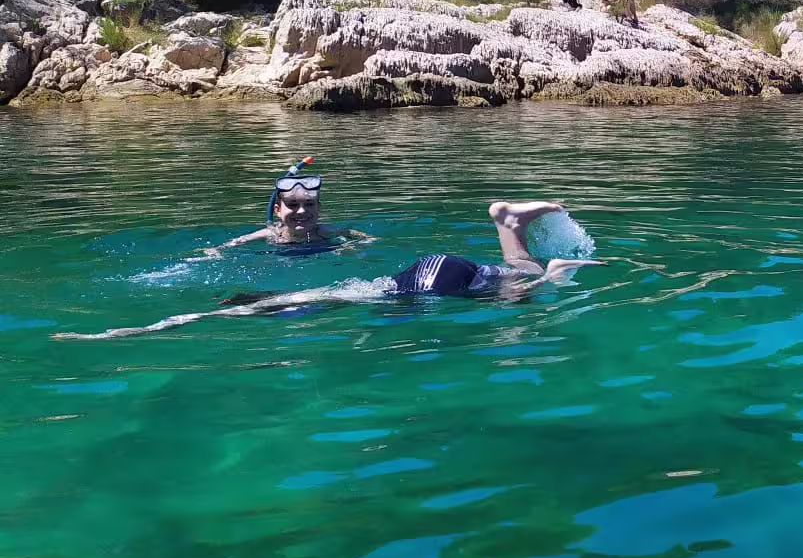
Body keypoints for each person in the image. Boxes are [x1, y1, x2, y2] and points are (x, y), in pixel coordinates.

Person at [61, 200, 597, 341]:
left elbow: (204, 317)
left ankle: (552, 270)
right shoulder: (348, 290)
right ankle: (509, 224)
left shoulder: (342, 296)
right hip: (429, 273)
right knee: (511, 280)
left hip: (427, 282)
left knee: (522, 293)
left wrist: (143, 328)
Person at [385, 201, 587, 296]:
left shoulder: (373, 298)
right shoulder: (369, 289)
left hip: (434, 282)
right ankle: (510, 225)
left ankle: (548, 275)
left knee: (517, 294)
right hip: (433, 268)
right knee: (511, 276)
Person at [206, 160, 373, 256]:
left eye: (309, 204)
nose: (301, 211)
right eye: (293, 205)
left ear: (318, 209)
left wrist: (354, 246)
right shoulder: (272, 233)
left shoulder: (324, 231)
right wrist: (217, 251)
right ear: (277, 210)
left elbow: (359, 236)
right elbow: (239, 241)